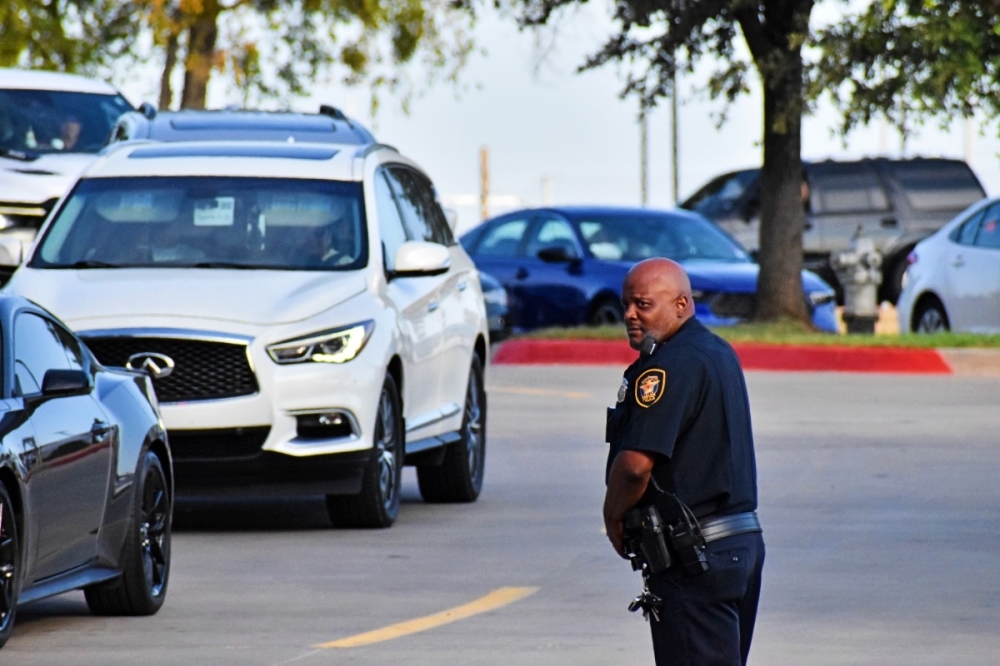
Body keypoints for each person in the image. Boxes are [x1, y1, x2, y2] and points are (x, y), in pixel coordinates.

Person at [603, 257, 764, 666]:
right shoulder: (717, 352)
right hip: (738, 545)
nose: (630, 315)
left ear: (681, 304)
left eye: (643, 304)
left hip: (696, 557)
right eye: (626, 305)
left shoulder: (667, 367)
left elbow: (635, 464)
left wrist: (613, 516)